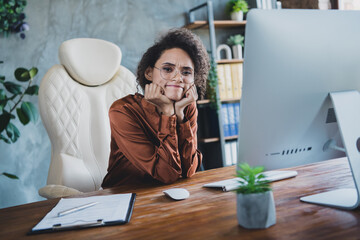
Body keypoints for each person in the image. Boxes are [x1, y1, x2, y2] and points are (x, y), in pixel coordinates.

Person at [101, 28, 209, 188]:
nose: (178, 78)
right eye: (167, 69)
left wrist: (179, 116)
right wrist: (167, 111)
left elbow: (189, 170)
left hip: (169, 194)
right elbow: (166, 174)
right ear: (149, 73)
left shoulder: (186, 106)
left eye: (186, 72)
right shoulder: (122, 110)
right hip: (127, 196)